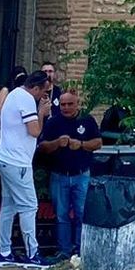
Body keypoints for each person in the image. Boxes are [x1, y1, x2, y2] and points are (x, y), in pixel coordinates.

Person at [37, 84, 102, 259]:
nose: (65, 108)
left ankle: (81, 250)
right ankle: (64, 251)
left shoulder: (87, 120)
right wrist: (57, 143)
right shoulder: (54, 122)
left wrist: (81, 144)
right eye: (63, 105)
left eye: (69, 104)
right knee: (61, 215)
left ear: (77, 104)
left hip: (81, 174)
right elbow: (42, 146)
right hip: (59, 175)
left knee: (82, 214)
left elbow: (98, 142)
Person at [0, 69, 50, 270]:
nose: (43, 97)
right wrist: (42, 113)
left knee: (8, 206)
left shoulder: (14, 94)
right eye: (43, 92)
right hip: (17, 162)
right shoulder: (26, 99)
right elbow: (34, 131)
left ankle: (4, 252)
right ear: (35, 88)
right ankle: (32, 254)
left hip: (4, 157)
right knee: (29, 206)